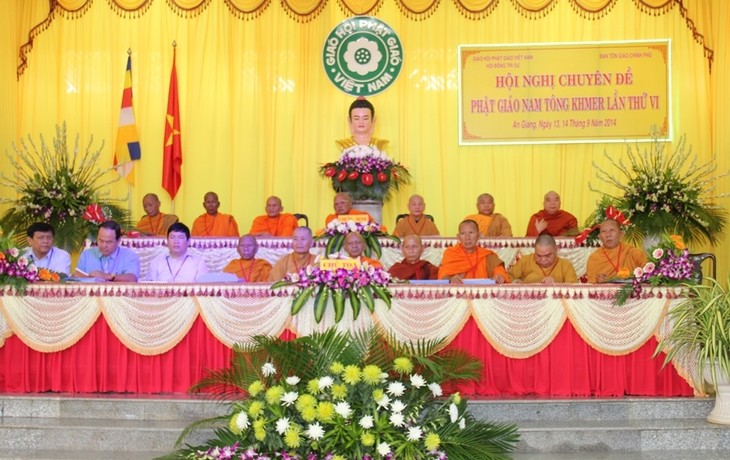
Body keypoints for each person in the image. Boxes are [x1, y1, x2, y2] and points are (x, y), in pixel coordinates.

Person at [438, 219, 509, 284]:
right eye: (463, 233)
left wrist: (500, 276)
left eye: (471, 233)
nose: (467, 238)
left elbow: (500, 272)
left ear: (478, 236)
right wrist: (450, 279)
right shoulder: (451, 253)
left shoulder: (487, 255)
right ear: (458, 237)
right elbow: (443, 276)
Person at [73, 220, 140, 282]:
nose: (104, 245)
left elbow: (132, 278)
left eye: (109, 242)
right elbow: (76, 276)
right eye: (101, 241)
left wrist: (107, 276)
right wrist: (94, 280)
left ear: (118, 241)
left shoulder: (129, 255)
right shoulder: (87, 254)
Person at [586, 219, 647, 283]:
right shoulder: (594, 258)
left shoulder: (633, 252)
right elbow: (591, 285)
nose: (608, 235)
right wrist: (598, 281)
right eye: (603, 231)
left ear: (621, 234)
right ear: (600, 237)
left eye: (612, 230)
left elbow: (649, 275)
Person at [508, 234, 578, 284]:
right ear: (535, 251)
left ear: (556, 250)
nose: (543, 259)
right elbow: (508, 277)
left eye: (547, 255)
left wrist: (556, 283)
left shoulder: (565, 265)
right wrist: (515, 282)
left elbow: (574, 287)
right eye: (539, 255)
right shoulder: (526, 261)